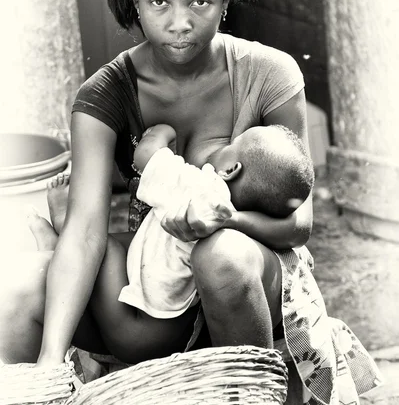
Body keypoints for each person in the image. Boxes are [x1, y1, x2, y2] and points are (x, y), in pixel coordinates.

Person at [0, 0, 381, 405]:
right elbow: (88, 230)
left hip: (246, 289)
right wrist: (50, 359)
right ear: (134, 2)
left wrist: (219, 221)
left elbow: (299, 222)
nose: (179, 22)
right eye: (159, 2)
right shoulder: (106, 94)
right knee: (18, 288)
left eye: (199, 1)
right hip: (153, 293)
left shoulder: (268, 73)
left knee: (219, 253)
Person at [118, 122, 315, 320]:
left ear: (230, 170)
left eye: (230, 145)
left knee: (109, 250)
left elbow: (145, 155)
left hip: (144, 320)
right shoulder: (237, 220)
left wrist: (163, 131)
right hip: (173, 311)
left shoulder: (203, 187)